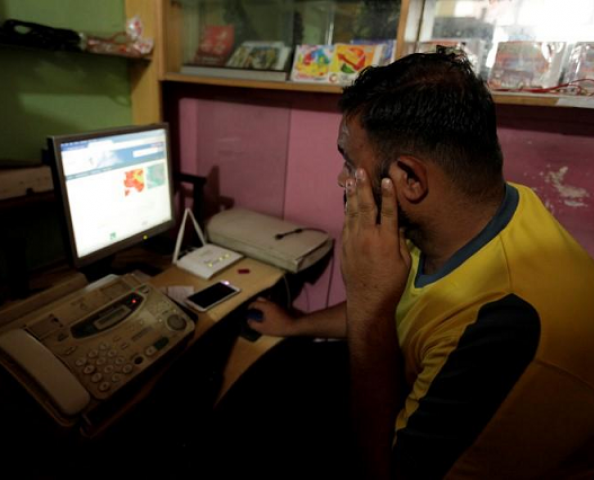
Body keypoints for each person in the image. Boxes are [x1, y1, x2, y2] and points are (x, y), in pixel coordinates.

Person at [198, 52, 594, 479]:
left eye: (350, 164)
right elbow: (406, 310)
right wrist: (298, 324)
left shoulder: (504, 327)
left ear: (410, 179)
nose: (341, 180)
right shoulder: (477, 210)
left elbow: (381, 473)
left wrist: (368, 299)